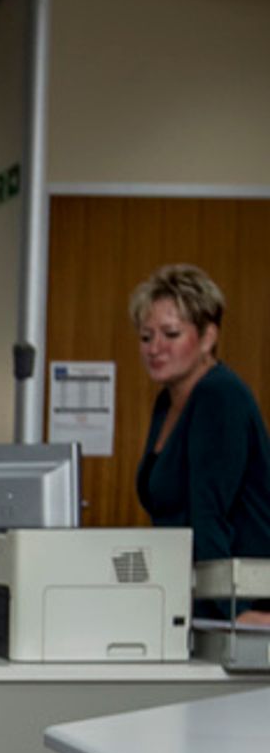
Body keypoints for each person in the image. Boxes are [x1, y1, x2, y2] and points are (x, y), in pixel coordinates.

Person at [133, 263, 270, 619]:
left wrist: (234, 612)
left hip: (238, 599)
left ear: (208, 337)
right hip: (192, 593)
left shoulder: (219, 395)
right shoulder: (168, 402)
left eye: (171, 334)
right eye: (146, 337)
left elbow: (208, 514)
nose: (155, 348)